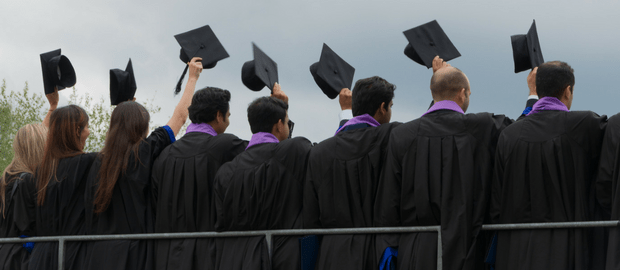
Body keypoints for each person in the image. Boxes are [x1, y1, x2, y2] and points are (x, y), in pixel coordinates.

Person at [374, 56, 537, 270]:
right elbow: (522, 134)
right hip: (467, 249)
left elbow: (388, 200)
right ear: (462, 94)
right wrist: (534, 93)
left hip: (415, 250)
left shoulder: (402, 136)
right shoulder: (483, 127)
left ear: (433, 94)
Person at [82, 57, 203, 270]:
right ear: (142, 127)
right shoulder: (144, 152)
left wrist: (126, 108)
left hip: (98, 255)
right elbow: (181, 116)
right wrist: (192, 77)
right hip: (134, 253)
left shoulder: (96, 163)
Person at [491, 61, 608, 270]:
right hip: (568, 250)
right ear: (567, 91)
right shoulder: (584, 125)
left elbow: (497, 202)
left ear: (537, 89)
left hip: (516, 252)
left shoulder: (509, 135)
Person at [303, 76, 400, 270]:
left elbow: (310, 218)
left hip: (331, 255)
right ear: (382, 108)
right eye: (390, 105)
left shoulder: (319, 151)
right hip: (379, 253)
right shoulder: (391, 138)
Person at [213, 84, 310, 270]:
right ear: (279, 125)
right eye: (287, 122)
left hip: (237, 260)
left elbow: (221, 223)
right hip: (283, 257)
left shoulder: (226, 171)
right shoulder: (292, 153)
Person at [151, 86, 247, 270]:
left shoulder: (164, 155)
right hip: (209, 256)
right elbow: (265, 152)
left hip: (166, 257)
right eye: (228, 115)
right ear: (219, 115)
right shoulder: (223, 146)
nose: (228, 120)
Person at [0, 87, 56, 270]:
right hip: (22, 260)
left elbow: (33, 138)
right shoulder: (30, 181)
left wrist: (52, 108)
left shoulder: (7, 178)